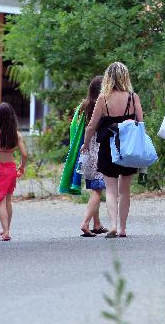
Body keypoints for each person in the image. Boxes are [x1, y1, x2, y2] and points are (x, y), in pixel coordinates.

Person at [82, 62, 143, 238]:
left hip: (108, 147)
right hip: (128, 148)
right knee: (125, 190)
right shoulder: (133, 97)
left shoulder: (103, 98)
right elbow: (140, 123)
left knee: (110, 189)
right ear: (125, 77)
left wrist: (86, 143)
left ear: (108, 78)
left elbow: (92, 125)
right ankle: (123, 228)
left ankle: (113, 225)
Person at [61, 75, 108, 237]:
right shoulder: (102, 105)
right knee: (97, 190)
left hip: (86, 154)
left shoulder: (83, 106)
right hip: (98, 152)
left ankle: (97, 224)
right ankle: (85, 223)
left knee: (95, 188)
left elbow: (74, 127)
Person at [0, 102, 28, 241]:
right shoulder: (16, 135)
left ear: (0, 117)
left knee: (0, 201)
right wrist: (22, 167)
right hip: (11, 169)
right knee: (8, 200)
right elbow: (25, 154)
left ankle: (5, 231)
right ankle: (7, 228)